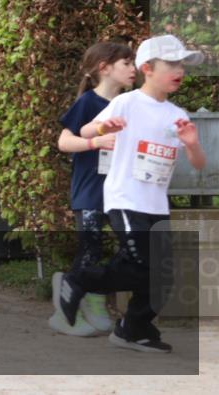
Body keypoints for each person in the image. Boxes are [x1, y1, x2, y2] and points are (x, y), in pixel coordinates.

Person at [54, 35, 207, 353]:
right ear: (148, 68)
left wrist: (192, 143)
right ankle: (80, 281)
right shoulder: (126, 102)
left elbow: (198, 165)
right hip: (125, 199)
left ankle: (133, 328)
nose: (180, 70)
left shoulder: (176, 114)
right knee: (142, 266)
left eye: (183, 65)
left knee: (162, 275)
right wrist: (101, 131)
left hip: (156, 205)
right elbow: (81, 131)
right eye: (173, 64)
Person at [50, 42, 135, 336]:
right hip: (91, 191)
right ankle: (65, 311)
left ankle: (91, 297)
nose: (134, 69)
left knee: (130, 250)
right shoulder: (87, 103)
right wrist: (94, 142)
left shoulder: (131, 104)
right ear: (104, 68)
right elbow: (64, 142)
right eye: (127, 63)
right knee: (92, 248)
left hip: (123, 192)